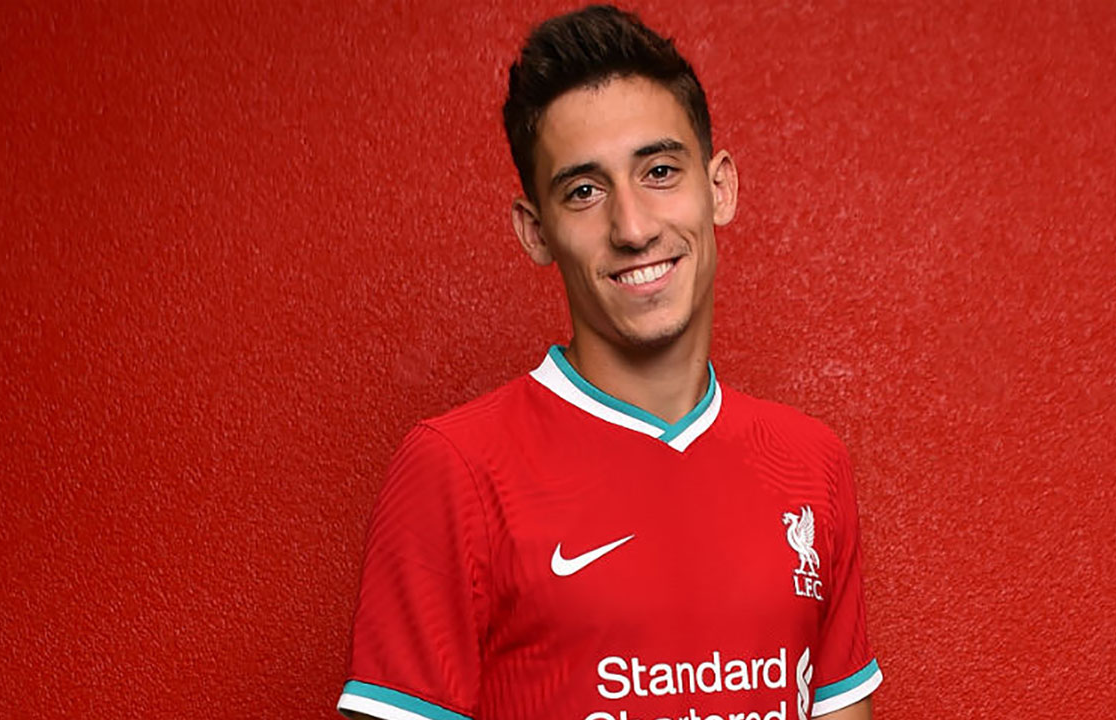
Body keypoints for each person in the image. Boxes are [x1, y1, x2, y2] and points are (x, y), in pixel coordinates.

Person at [336, 6, 882, 720]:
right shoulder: (455, 470)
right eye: (585, 191)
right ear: (536, 231)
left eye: (660, 171)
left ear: (719, 187)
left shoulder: (811, 463)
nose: (632, 227)